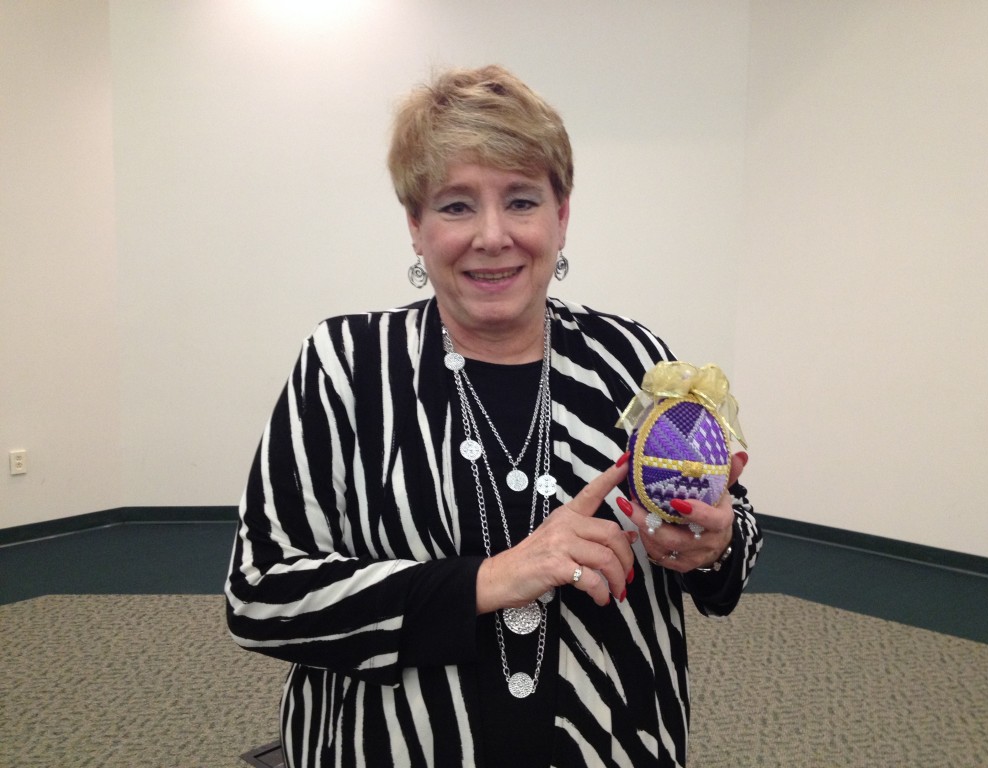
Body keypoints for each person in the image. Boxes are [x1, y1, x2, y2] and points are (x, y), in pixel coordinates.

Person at [225, 64, 762, 768]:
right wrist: (492, 579)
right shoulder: (346, 363)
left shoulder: (635, 360)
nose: (491, 235)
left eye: (520, 200)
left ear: (561, 215)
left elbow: (734, 537)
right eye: (454, 206)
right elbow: (261, 595)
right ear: (414, 226)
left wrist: (711, 542)